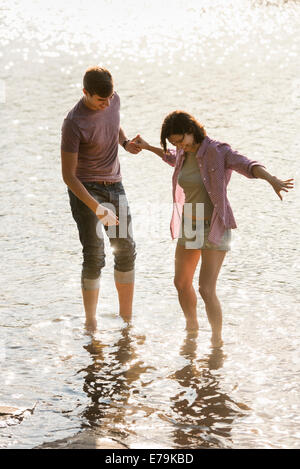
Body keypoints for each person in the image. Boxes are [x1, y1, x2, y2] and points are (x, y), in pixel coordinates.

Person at [133, 111, 294, 347]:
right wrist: (147, 147)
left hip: (214, 226)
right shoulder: (182, 154)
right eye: (175, 142)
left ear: (192, 131)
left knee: (206, 289)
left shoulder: (218, 152)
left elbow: (248, 165)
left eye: (181, 140)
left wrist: (271, 179)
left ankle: (217, 342)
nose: (179, 146)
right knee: (180, 283)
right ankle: (192, 329)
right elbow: (171, 156)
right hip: (190, 226)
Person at [61, 66, 141, 331]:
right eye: (99, 100)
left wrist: (126, 142)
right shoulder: (73, 123)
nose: (106, 104)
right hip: (86, 189)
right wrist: (97, 209)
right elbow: (69, 177)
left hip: (115, 185)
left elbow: (114, 123)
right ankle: (91, 324)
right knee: (95, 255)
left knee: (126, 249)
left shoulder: (113, 99)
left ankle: (126, 321)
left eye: (109, 99)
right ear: (85, 92)